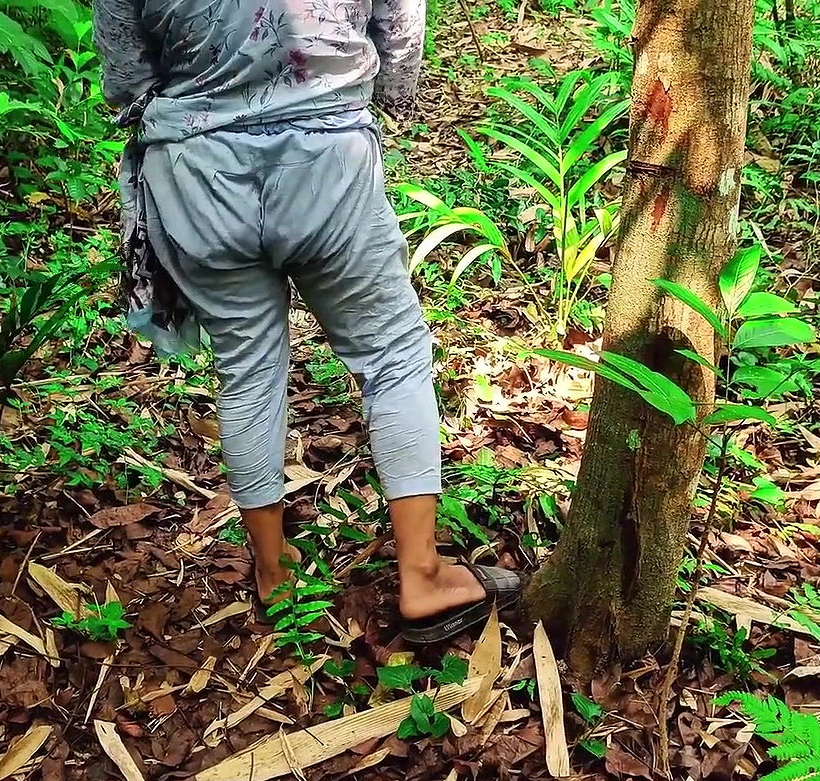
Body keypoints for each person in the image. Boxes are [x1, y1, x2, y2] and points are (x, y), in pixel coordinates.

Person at [93, 0, 520, 642]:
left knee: (245, 372)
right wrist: (380, 93)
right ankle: (422, 573)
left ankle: (273, 570)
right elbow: (400, 39)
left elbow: (126, 76)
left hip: (193, 169)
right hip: (328, 157)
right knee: (393, 355)